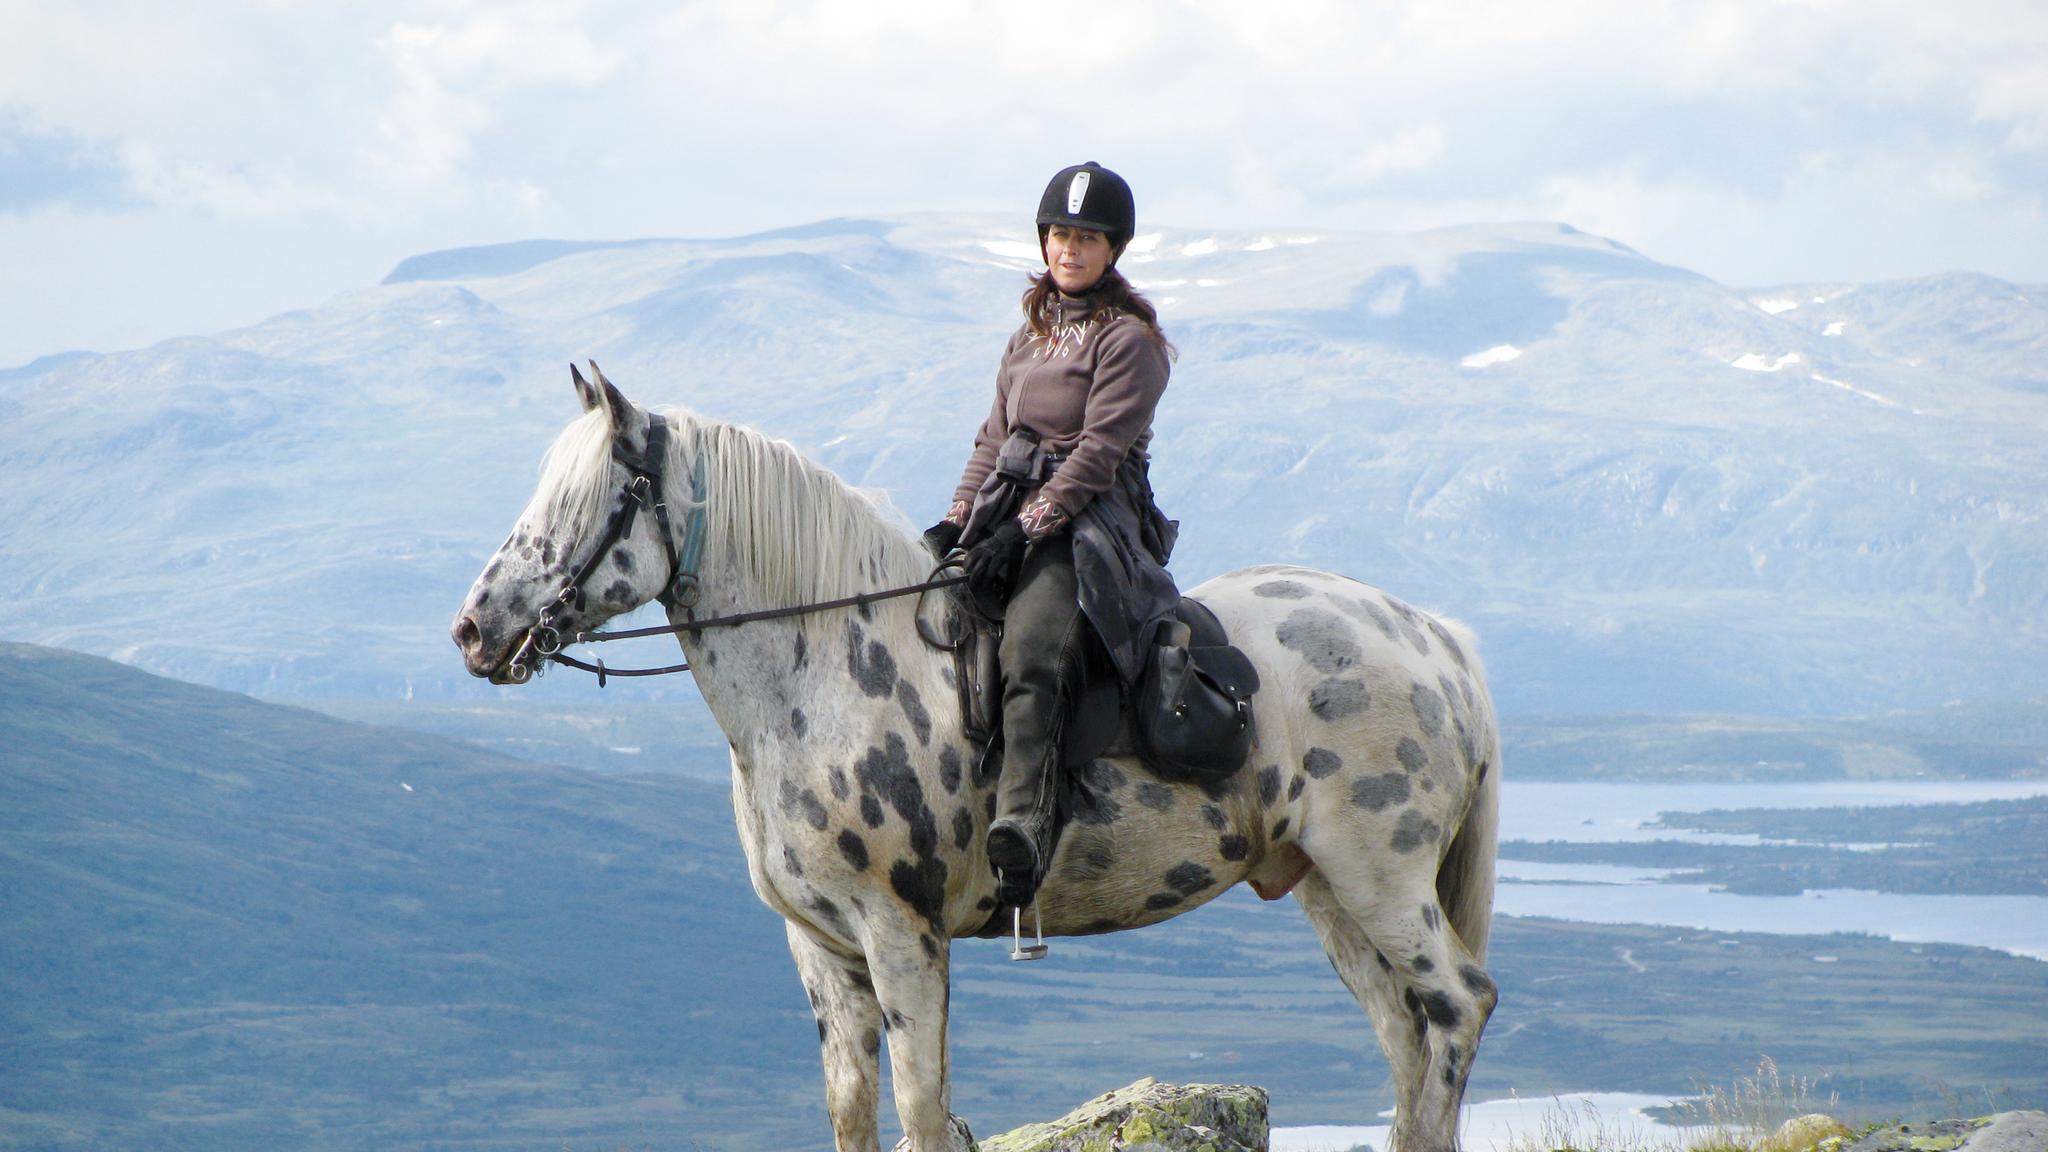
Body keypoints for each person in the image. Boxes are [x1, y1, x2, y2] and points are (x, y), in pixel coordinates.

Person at [923, 161, 1180, 908]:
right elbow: (990, 442)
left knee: (1034, 645)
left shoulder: (1128, 342)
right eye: (1061, 234)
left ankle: (1027, 823)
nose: (1071, 249)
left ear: (1113, 250)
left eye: (1088, 238)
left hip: (1092, 524)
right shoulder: (1026, 339)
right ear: (1044, 242)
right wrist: (957, 522)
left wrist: (1031, 528)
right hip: (1008, 510)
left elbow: (1099, 453)